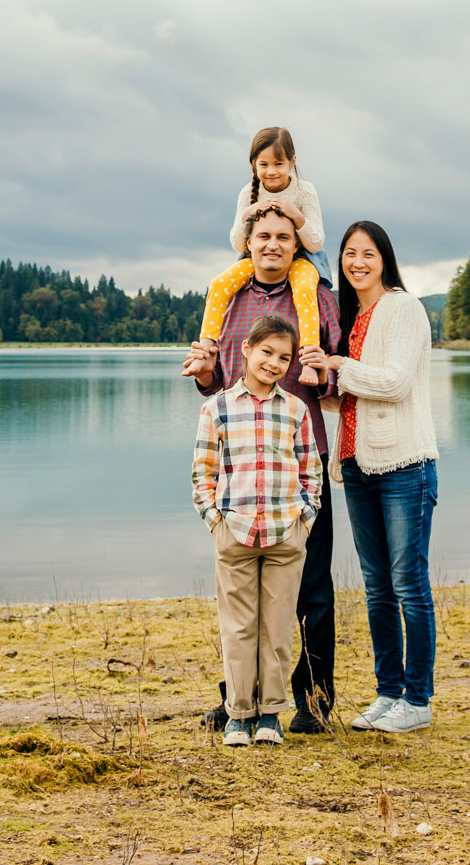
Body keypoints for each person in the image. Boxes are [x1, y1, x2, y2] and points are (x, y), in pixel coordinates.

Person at [184, 204, 343, 732]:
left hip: (301, 459)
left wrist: (307, 506)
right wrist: (205, 378)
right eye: (263, 236)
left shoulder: (316, 295)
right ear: (247, 244)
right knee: (242, 600)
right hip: (240, 470)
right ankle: (240, 702)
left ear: (296, 243)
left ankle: (313, 701)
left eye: (283, 236)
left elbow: (332, 373)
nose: (272, 244)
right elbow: (220, 382)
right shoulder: (227, 298)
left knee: (312, 590)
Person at [300, 220, 439, 734]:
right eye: (349, 254)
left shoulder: (402, 308)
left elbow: (397, 383)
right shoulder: (356, 316)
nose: (357, 263)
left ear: (385, 258)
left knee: (409, 585)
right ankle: (388, 693)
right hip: (356, 465)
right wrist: (318, 380)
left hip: (405, 466)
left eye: (368, 253)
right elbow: (354, 397)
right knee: (377, 587)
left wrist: (338, 362)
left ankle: (418, 699)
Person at [191, 315, 323, 746]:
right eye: (266, 352)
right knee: (238, 627)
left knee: (278, 627)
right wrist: (215, 521)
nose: (274, 363)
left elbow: (311, 470)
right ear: (246, 349)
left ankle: (270, 714)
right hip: (236, 531)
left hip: (286, 532)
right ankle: (238, 715)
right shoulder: (217, 408)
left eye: (284, 357)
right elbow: (203, 472)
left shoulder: (296, 409)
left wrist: (307, 516)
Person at [186, 127, 328, 385]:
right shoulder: (246, 193)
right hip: (252, 262)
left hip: (302, 261)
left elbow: (316, 242)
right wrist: (247, 215)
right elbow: (239, 243)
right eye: (263, 164)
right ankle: (205, 349)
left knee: (305, 288)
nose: (271, 171)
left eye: (278, 163)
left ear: (292, 162)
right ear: (253, 164)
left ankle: (308, 360)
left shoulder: (304, 191)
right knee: (218, 284)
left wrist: (295, 216)